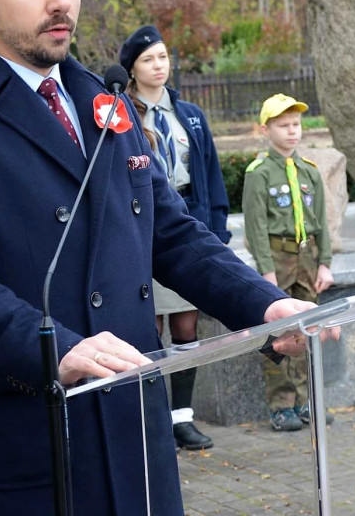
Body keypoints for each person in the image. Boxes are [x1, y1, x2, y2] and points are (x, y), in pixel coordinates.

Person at [0, 0, 328, 516]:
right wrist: (55, 350)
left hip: (133, 433)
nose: (60, 2)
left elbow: (169, 233)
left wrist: (265, 305)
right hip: (29, 433)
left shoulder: (102, 100)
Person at [118, 24, 228, 450]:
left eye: (163, 57)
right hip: (140, 229)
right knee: (147, 329)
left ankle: (182, 417)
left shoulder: (191, 116)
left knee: (186, 327)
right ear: (132, 69)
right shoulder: (119, 113)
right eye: (149, 59)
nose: (159, 66)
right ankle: (148, 420)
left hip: (186, 223)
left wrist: (217, 233)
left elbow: (211, 178)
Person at [242, 93, 335, 432]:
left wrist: (324, 262)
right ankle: (281, 405)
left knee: (309, 331)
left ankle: (306, 401)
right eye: (283, 126)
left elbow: (322, 221)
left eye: (296, 125)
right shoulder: (258, 173)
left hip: (307, 257)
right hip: (276, 258)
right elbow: (256, 226)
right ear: (266, 130)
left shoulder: (309, 171)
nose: (292, 131)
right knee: (278, 335)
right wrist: (265, 269)